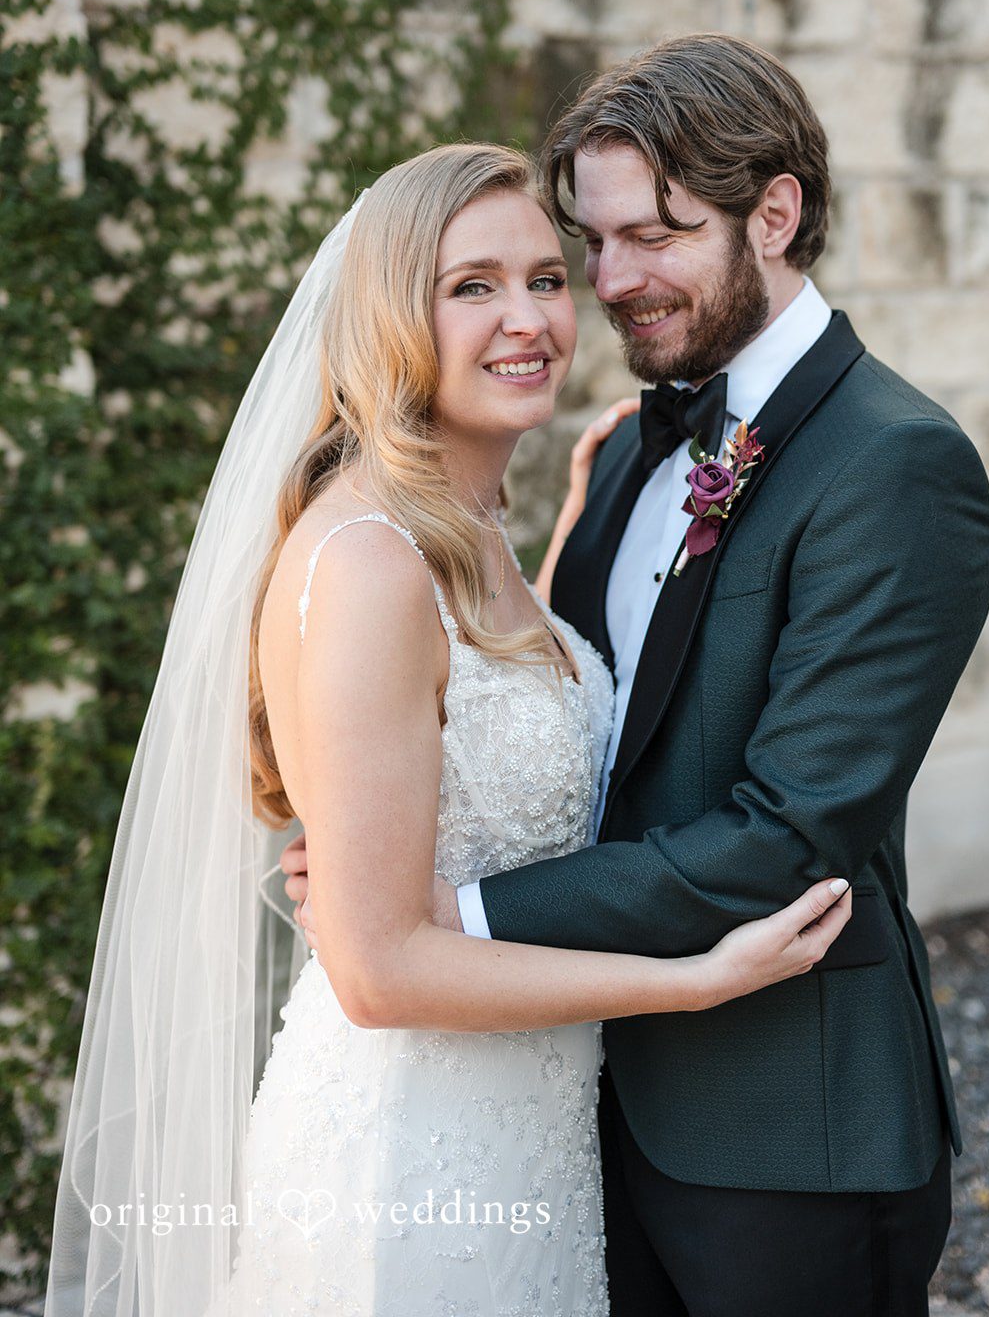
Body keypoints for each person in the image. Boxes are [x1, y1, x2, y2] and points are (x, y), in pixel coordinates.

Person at [44, 140, 852, 1317]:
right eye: (470, 285)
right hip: (410, 1174)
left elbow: (486, 724)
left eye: (542, 277)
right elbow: (376, 972)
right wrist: (692, 980)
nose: (525, 317)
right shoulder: (370, 562)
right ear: (387, 319)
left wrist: (572, 539)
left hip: (526, 1146)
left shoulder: (463, 533)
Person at [284, 35, 989, 1317]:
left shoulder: (896, 466)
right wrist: (374, 849)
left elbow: (791, 829)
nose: (611, 283)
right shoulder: (623, 451)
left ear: (772, 213)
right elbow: (569, 729)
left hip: (783, 1131)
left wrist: (462, 910)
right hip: (572, 1101)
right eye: (595, 243)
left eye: (652, 236)